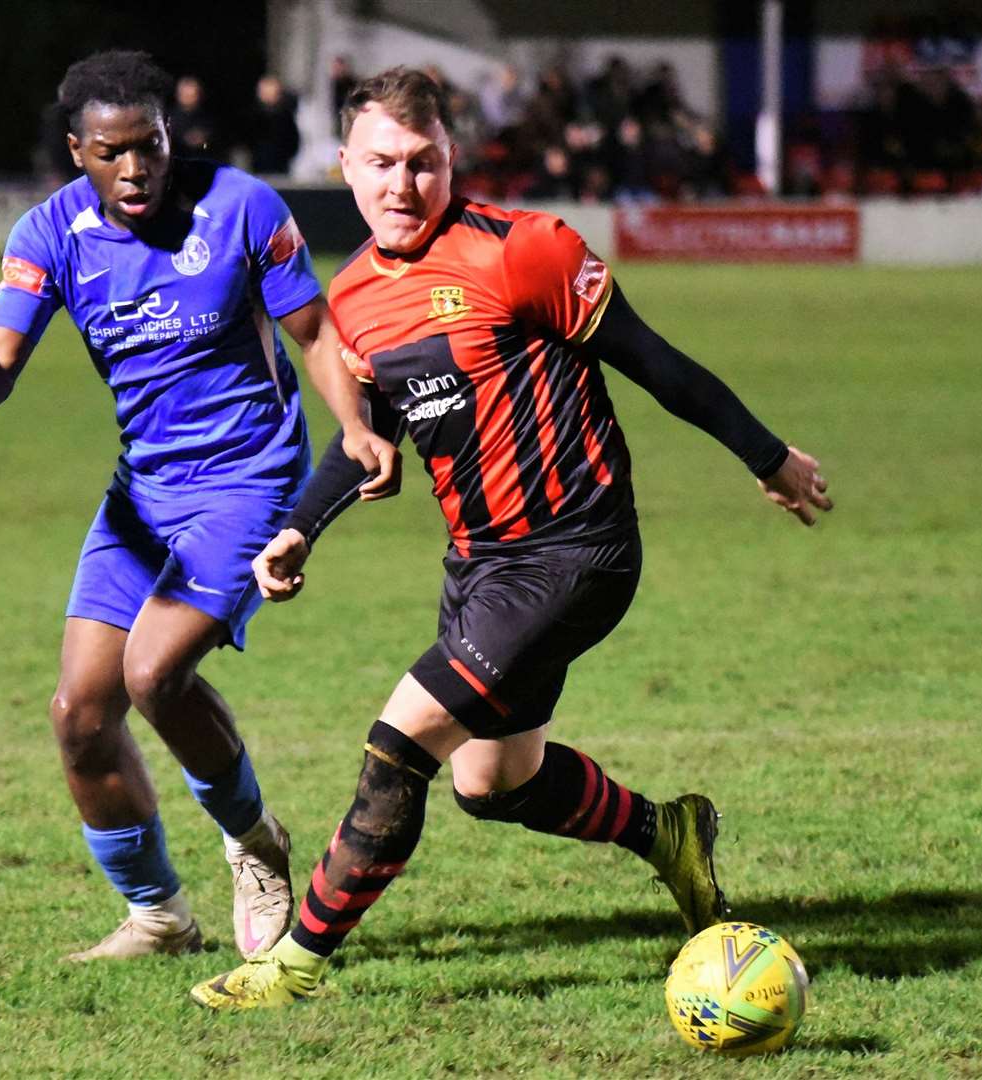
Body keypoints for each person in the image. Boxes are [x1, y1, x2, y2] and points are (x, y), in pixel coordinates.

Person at [191, 67, 832, 1010]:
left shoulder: (523, 251)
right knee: (493, 784)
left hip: (576, 551)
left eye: (423, 162)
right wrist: (297, 530)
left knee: (399, 741)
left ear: (452, 158)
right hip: (480, 564)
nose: (402, 184)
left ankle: (292, 966)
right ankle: (669, 836)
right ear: (344, 167)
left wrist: (765, 455)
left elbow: (656, 363)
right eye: (380, 164)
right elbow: (367, 440)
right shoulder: (358, 299)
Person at [0, 51, 396, 964]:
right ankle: (158, 917)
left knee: (153, 675)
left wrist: (354, 426)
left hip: (250, 480)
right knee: (79, 712)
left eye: (148, 146)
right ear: (77, 153)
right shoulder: (49, 233)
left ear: (169, 135)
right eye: (112, 153)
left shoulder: (242, 208)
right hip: (142, 493)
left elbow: (313, 333)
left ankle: (256, 847)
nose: (136, 169)